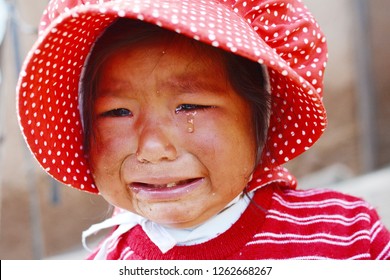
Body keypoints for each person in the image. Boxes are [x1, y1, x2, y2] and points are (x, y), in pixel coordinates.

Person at [17, 0, 390, 260]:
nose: (153, 147)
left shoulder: (345, 235)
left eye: (189, 106)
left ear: (260, 120)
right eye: (117, 112)